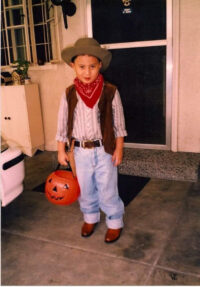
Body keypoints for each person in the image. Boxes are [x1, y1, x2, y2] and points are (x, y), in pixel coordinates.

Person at [56, 37, 127, 243]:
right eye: (82, 67)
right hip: (79, 151)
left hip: (104, 149)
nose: (87, 72)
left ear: (100, 66)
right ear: (73, 66)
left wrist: (119, 148)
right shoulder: (69, 93)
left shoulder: (110, 91)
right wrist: (61, 150)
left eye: (92, 67)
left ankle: (114, 221)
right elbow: (62, 124)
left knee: (107, 187)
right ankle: (90, 216)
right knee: (85, 187)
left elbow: (119, 125)